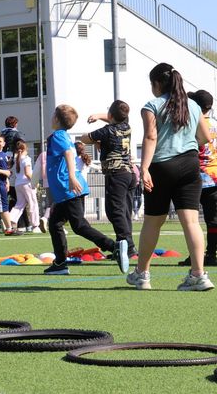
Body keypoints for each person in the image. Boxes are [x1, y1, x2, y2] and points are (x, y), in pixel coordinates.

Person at [126, 63, 214, 291]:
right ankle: (199, 275)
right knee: (192, 222)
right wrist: (186, 143)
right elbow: (205, 137)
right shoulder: (193, 105)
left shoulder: (151, 105)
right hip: (190, 165)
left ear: (157, 83)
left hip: (162, 166)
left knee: (153, 222)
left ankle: (142, 274)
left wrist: (144, 168)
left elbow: (150, 137)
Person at [44, 104, 129, 275]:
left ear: (56, 119)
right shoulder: (63, 135)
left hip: (69, 188)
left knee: (79, 226)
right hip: (67, 190)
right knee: (55, 224)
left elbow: (69, 154)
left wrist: (71, 177)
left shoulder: (58, 136)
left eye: (53, 114)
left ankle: (113, 247)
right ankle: (60, 263)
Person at [81, 100, 138, 259]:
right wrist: (100, 117)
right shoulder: (126, 126)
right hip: (129, 173)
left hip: (116, 174)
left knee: (115, 211)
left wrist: (97, 140)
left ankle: (127, 247)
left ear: (111, 115)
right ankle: (124, 246)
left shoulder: (107, 130)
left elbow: (85, 138)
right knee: (124, 212)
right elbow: (118, 118)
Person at [178, 90, 217, 267]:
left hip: (195, 175)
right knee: (212, 220)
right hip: (214, 176)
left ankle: (196, 256)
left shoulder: (193, 123)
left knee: (191, 220)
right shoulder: (214, 124)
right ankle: (211, 254)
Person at [8, 141, 41, 233]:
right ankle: (35, 225)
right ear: (25, 149)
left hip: (18, 184)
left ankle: (10, 219)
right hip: (27, 183)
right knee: (33, 203)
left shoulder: (16, 160)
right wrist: (35, 182)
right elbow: (28, 173)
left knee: (19, 204)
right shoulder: (26, 159)